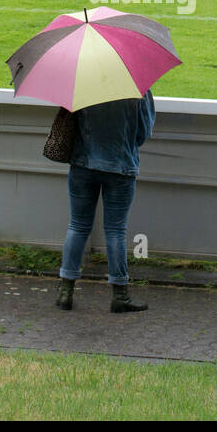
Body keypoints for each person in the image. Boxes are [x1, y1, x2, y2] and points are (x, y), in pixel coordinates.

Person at [54, 91, 155, 314]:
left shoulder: (81, 81)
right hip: (121, 166)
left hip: (83, 164)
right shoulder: (138, 89)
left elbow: (70, 123)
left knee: (78, 226)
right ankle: (120, 295)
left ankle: (65, 292)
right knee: (115, 231)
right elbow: (143, 133)